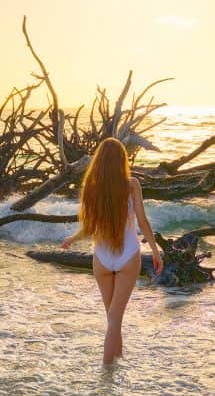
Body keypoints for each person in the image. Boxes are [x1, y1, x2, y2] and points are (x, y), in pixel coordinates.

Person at [61, 137, 163, 364]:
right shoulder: (132, 185)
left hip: (102, 259)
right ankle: (106, 377)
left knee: (112, 319)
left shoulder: (91, 187)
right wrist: (155, 251)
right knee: (115, 319)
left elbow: (89, 227)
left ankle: (117, 368)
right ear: (121, 160)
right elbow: (143, 222)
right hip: (128, 256)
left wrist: (72, 238)